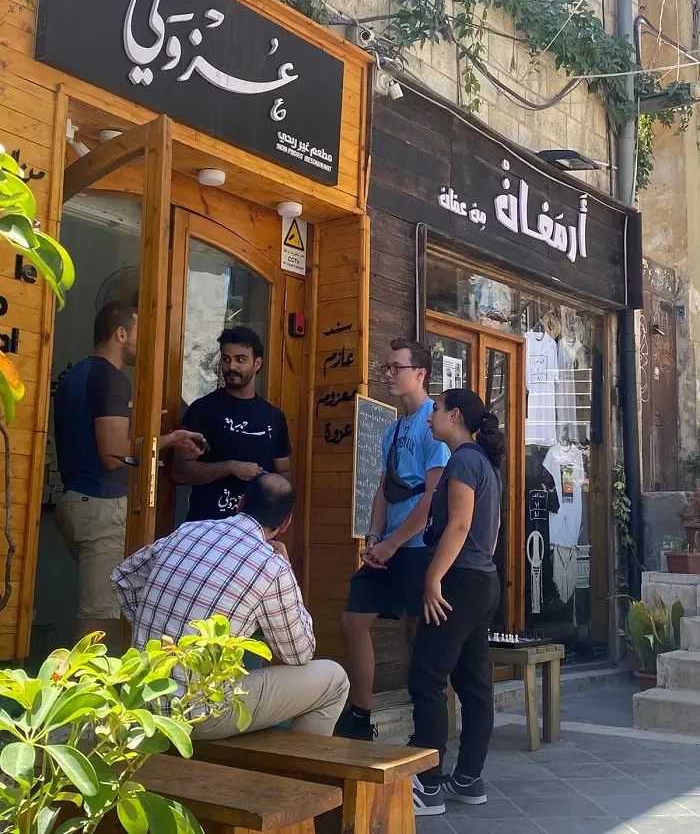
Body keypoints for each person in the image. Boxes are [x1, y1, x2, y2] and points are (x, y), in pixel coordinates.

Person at [111, 473, 349, 737]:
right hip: (200, 714)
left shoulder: (188, 531)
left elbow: (122, 579)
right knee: (334, 679)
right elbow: (299, 653)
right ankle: (299, 775)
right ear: (287, 522)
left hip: (139, 702)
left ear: (240, 502)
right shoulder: (272, 566)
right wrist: (288, 571)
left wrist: (156, 627)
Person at [54, 302, 204, 645]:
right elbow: (112, 455)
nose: (143, 340)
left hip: (76, 501)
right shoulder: (112, 378)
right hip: (101, 506)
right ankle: (63, 695)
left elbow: (92, 440)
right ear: (120, 334)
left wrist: (141, 425)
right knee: (99, 621)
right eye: (137, 332)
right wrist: (168, 439)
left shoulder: (76, 375)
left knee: (109, 610)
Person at [335, 339, 450, 741]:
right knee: (354, 619)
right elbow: (384, 487)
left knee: (419, 635)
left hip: (419, 549)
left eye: (396, 367)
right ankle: (361, 716)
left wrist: (395, 543)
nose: (388, 374)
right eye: (386, 367)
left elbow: (432, 499)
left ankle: (431, 723)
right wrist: (373, 536)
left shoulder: (433, 424)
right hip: (388, 546)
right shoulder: (393, 428)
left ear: (420, 373)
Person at [408, 389, 505, 817]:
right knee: (472, 682)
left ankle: (427, 786)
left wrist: (434, 578)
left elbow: (461, 522)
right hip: (482, 579)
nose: (430, 420)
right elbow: (493, 529)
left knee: (427, 679)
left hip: (459, 581)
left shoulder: (464, 460)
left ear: (456, 415)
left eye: (435, 412)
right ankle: (468, 779)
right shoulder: (483, 463)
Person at [172, 327, 292, 521]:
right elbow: (179, 471)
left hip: (255, 533)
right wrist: (229, 467)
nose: (231, 366)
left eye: (240, 359)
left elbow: (284, 471)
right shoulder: (202, 410)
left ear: (257, 363)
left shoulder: (274, 418)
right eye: (226, 359)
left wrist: (279, 513)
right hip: (206, 528)